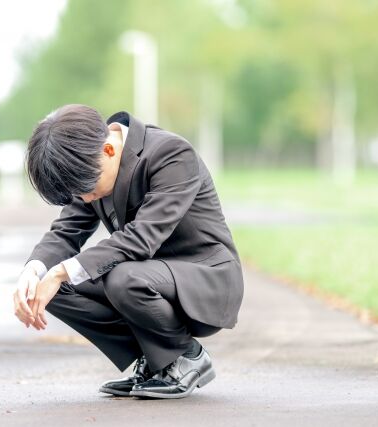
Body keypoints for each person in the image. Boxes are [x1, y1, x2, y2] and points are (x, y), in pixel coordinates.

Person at [13, 104, 244, 399]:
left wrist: (61, 271)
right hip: (145, 278)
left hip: (206, 282)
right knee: (50, 288)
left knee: (119, 277)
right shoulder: (90, 164)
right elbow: (66, 231)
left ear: (109, 150)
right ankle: (157, 359)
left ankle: (185, 356)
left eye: (88, 189)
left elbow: (142, 238)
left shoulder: (171, 154)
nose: (86, 198)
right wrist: (33, 272)